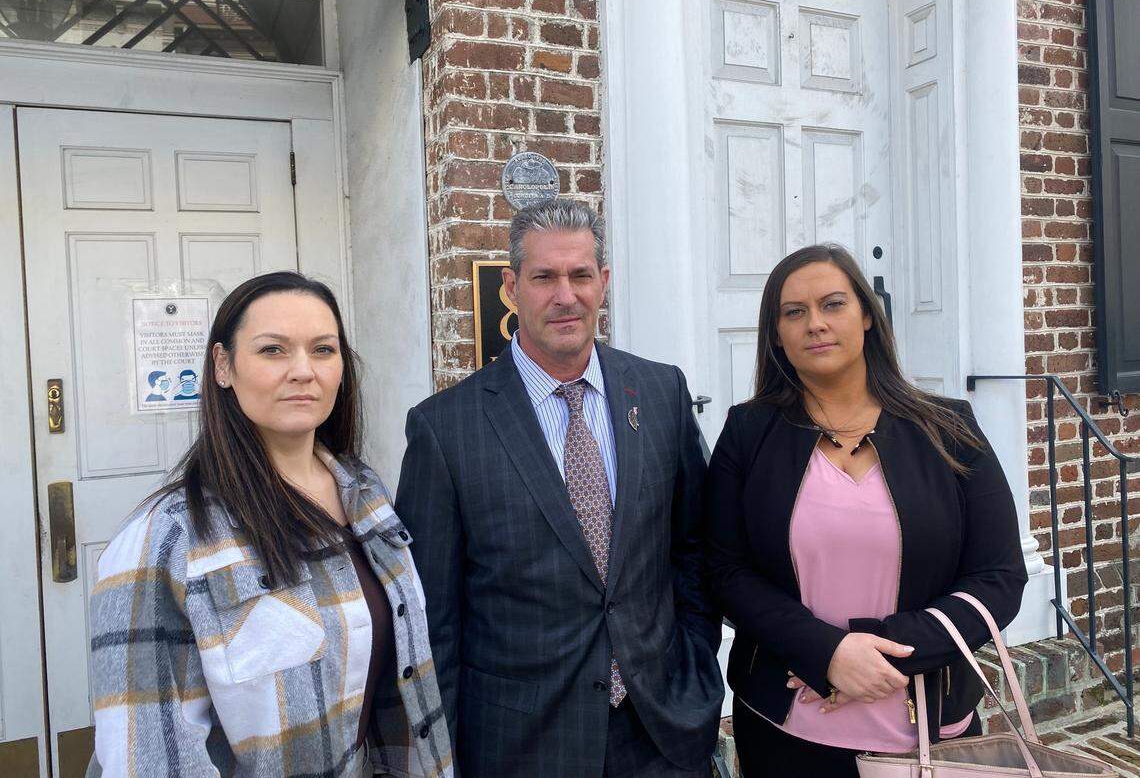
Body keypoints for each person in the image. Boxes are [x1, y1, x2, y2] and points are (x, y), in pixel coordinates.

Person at [396, 198, 724, 777]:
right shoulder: (445, 429)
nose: (565, 296)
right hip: (523, 746)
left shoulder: (661, 392)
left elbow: (693, 547)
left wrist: (697, 668)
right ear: (511, 287)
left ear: (604, 282)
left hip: (662, 731)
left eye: (580, 275)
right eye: (544, 277)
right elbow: (433, 620)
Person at [87, 272, 453, 778]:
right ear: (223, 366)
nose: (303, 371)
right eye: (273, 350)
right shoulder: (166, 540)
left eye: (322, 350)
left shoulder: (364, 490)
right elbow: (148, 759)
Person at [704, 244, 1028, 778]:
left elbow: (1000, 577)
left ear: (867, 317)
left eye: (833, 304)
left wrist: (880, 652)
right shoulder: (748, 433)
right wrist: (826, 652)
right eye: (794, 312)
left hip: (928, 730)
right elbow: (724, 570)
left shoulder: (949, 430)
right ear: (777, 335)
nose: (815, 324)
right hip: (785, 726)